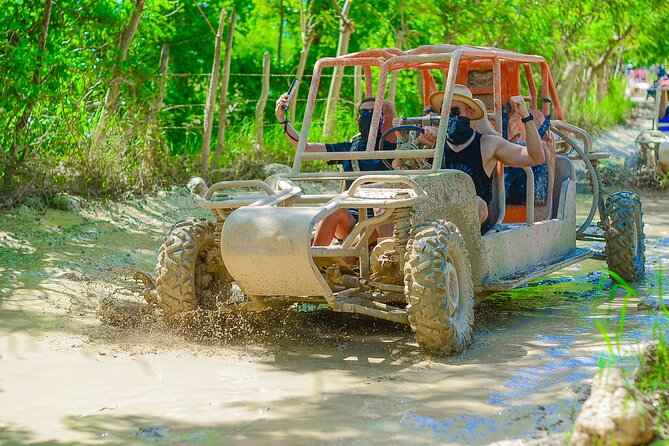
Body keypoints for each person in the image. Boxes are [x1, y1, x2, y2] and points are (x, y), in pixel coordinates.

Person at [274, 94, 397, 247]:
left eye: (375, 113)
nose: (370, 117)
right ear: (357, 119)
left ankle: (384, 259)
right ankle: (316, 261)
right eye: (365, 113)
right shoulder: (348, 148)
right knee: (334, 209)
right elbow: (306, 148)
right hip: (352, 221)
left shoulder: (394, 150)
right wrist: (281, 118)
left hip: (380, 219)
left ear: (382, 119)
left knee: (380, 214)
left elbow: (406, 163)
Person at [429, 84, 545, 233]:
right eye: (444, 112)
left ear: (469, 112)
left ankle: (459, 249)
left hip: (473, 223)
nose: (450, 117)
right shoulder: (435, 144)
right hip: (437, 219)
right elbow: (400, 169)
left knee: (477, 203)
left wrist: (525, 116)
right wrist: (418, 142)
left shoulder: (488, 144)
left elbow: (535, 157)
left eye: (455, 111)